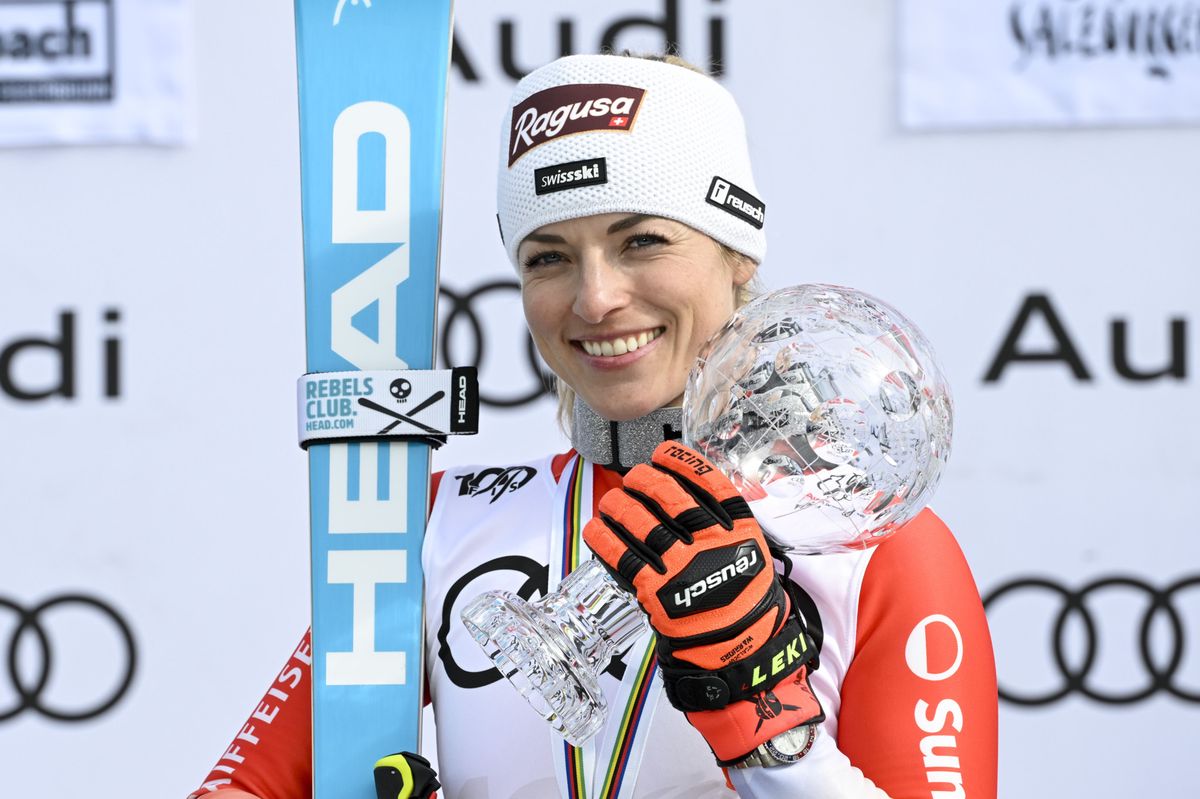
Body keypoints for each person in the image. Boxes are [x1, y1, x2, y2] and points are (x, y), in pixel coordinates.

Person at [191, 53, 998, 799]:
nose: (595, 297)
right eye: (548, 256)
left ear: (739, 251)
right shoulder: (433, 523)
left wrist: (771, 734)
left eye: (642, 240)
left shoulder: (874, 545)